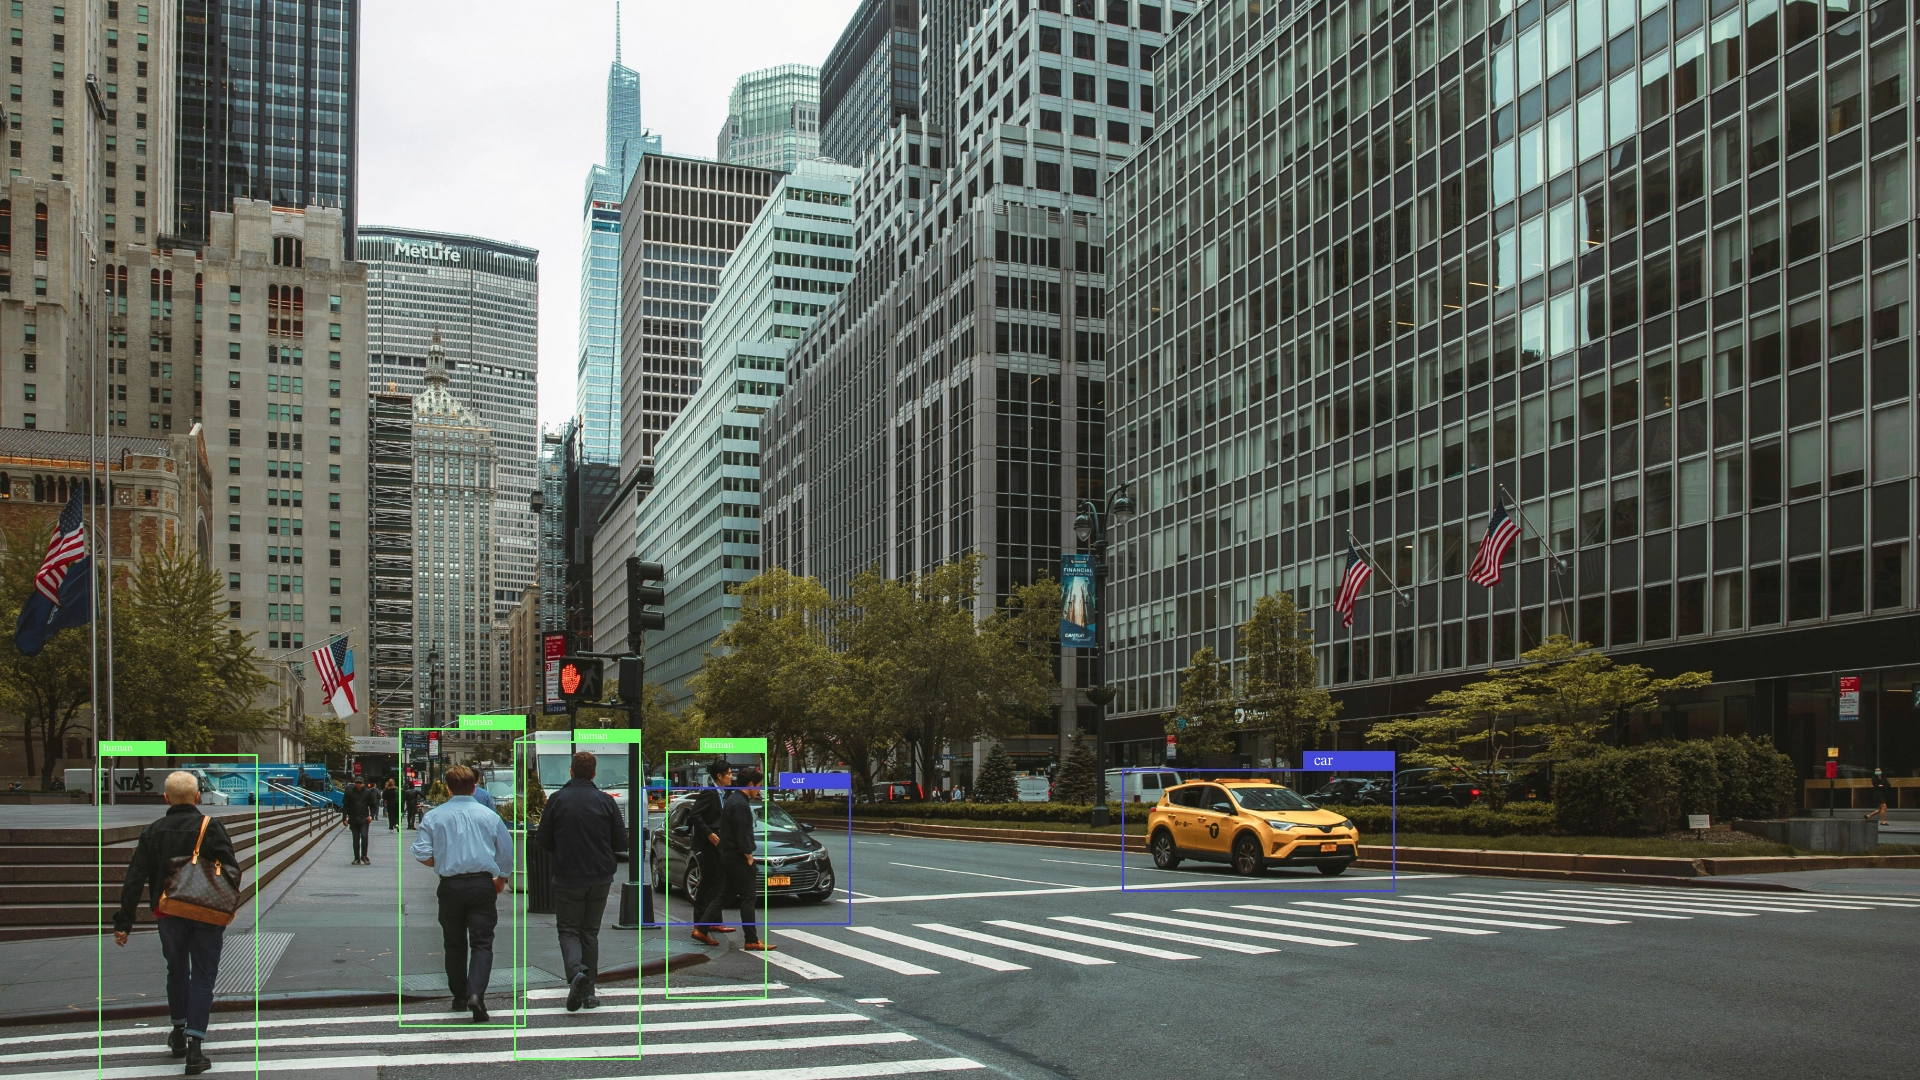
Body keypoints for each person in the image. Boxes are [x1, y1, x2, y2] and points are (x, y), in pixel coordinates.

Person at [113, 771, 240, 1076]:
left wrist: (124, 922)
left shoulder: (152, 831)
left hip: (167, 913)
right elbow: (232, 868)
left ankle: (177, 1032)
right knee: (204, 977)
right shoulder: (212, 827)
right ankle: (195, 1048)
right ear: (197, 797)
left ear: (166, 798)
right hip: (206, 913)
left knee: (176, 971)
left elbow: (134, 878)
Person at [411, 764, 513, 1022]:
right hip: (481, 884)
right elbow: (506, 849)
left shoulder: (434, 816)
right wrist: (501, 878)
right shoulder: (489, 816)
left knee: (453, 943)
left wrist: (443, 860)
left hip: (450, 885)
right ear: (475, 786)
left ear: (447, 788)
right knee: (482, 942)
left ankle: (459, 995)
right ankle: (476, 994)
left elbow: (421, 852)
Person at [535, 751, 625, 1012]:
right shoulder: (606, 801)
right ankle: (590, 992)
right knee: (590, 932)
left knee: (568, 930)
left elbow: (543, 840)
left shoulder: (557, 799)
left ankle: (576, 975)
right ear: (594, 773)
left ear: (571, 771)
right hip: (599, 877)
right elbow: (621, 842)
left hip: (567, 875)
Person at [711, 766, 775, 952]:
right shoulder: (740, 803)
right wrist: (748, 855)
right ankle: (751, 939)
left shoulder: (733, 800)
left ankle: (701, 928)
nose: (760, 790)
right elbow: (741, 832)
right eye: (759, 786)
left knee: (726, 895)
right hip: (738, 856)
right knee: (748, 897)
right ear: (750, 784)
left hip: (729, 855)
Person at [687, 761, 734, 946]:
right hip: (708, 845)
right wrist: (709, 833)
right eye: (728, 773)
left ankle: (715, 922)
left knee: (718, 882)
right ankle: (700, 923)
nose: (731, 776)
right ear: (719, 776)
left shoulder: (725, 793)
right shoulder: (709, 793)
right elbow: (694, 815)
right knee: (707, 883)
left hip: (720, 844)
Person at [342, 779, 374, 865]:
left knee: (364, 836)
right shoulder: (349, 792)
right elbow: (346, 806)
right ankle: (357, 857)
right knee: (355, 839)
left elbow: (372, 805)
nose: (359, 785)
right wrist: (344, 818)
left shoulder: (367, 793)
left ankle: (364, 856)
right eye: (357, 783)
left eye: (360, 783)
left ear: (363, 784)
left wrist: (371, 815)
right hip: (353, 819)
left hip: (364, 818)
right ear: (355, 784)